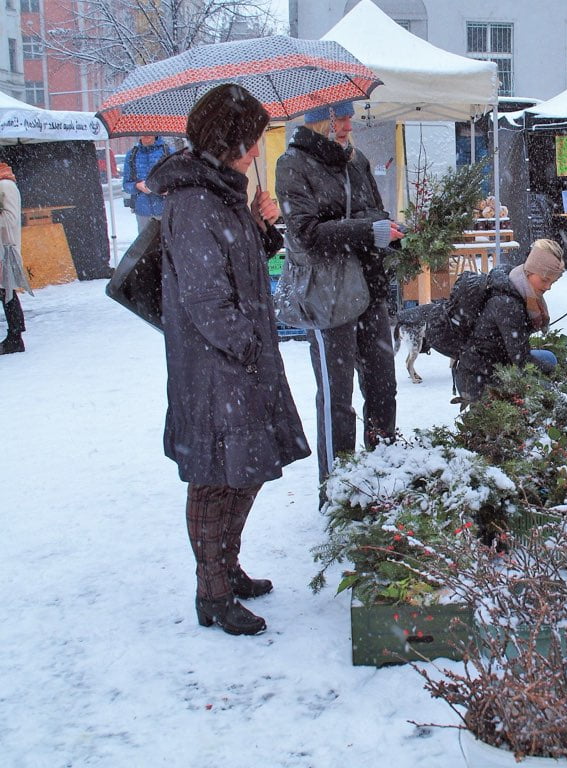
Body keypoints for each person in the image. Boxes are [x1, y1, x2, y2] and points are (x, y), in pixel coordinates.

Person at [147, 84, 310, 636]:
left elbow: (235, 266)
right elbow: (205, 297)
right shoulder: (193, 200)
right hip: (216, 367)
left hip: (239, 363)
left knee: (246, 472)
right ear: (229, 139)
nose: (257, 150)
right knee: (216, 479)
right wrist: (246, 345)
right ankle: (210, 593)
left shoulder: (219, 193)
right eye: (253, 140)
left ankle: (227, 567)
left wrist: (262, 229)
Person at [275, 101, 403, 502]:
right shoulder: (292, 164)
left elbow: (375, 210)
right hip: (328, 295)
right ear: (317, 121)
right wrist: (369, 229)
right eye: (340, 117)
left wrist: (383, 227)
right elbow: (305, 233)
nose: (349, 124)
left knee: (383, 387)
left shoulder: (357, 159)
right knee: (337, 399)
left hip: (370, 288)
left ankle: (382, 474)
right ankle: (338, 489)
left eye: (350, 116)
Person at [454, 239, 565, 403]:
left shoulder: (517, 287)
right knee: (548, 390)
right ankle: (486, 407)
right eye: (544, 280)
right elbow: (521, 360)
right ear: (529, 272)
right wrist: (558, 376)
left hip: (495, 361)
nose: (548, 287)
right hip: (480, 375)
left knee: (548, 358)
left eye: (553, 282)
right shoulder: (508, 305)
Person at [0, 162, 29, 354]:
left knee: (6, 292)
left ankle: (15, 337)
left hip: (5, 248)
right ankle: (14, 335)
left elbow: (10, 219)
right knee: (5, 293)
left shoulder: (5, 185)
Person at [123, 135, 170, 232]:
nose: (146, 135)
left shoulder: (168, 152)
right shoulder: (132, 155)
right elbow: (126, 185)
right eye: (143, 132)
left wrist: (168, 190)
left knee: (168, 244)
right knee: (145, 245)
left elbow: (179, 182)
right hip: (142, 211)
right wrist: (137, 186)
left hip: (166, 210)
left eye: (149, 132)